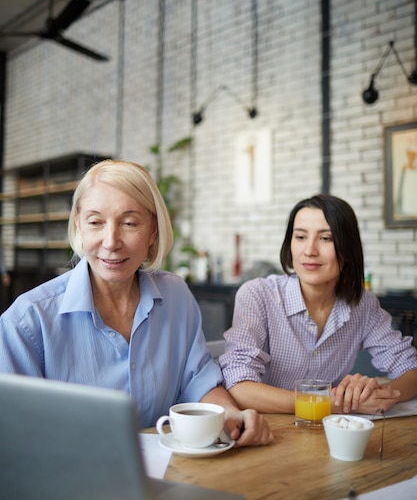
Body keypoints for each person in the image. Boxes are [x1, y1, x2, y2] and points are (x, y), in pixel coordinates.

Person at [0, 159, 272, 447]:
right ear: (79, 225)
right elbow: (14, 434)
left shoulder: (176, 296)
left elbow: (198, 381)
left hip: (173, 471)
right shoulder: (27, 321)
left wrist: (228, 414)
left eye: (129, 223)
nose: (111, 241)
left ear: (153, 230)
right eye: (95, 222)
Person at [219, 194, 417, 416]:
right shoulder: (258, 295)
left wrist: (373, 395)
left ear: (347, 249)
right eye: (301, 237)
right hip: (266, 429)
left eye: (326, 239)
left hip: (326, 433)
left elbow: (411, 370)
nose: (310, 250)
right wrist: (333, 403)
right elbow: (239, 387)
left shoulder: (363, 305)